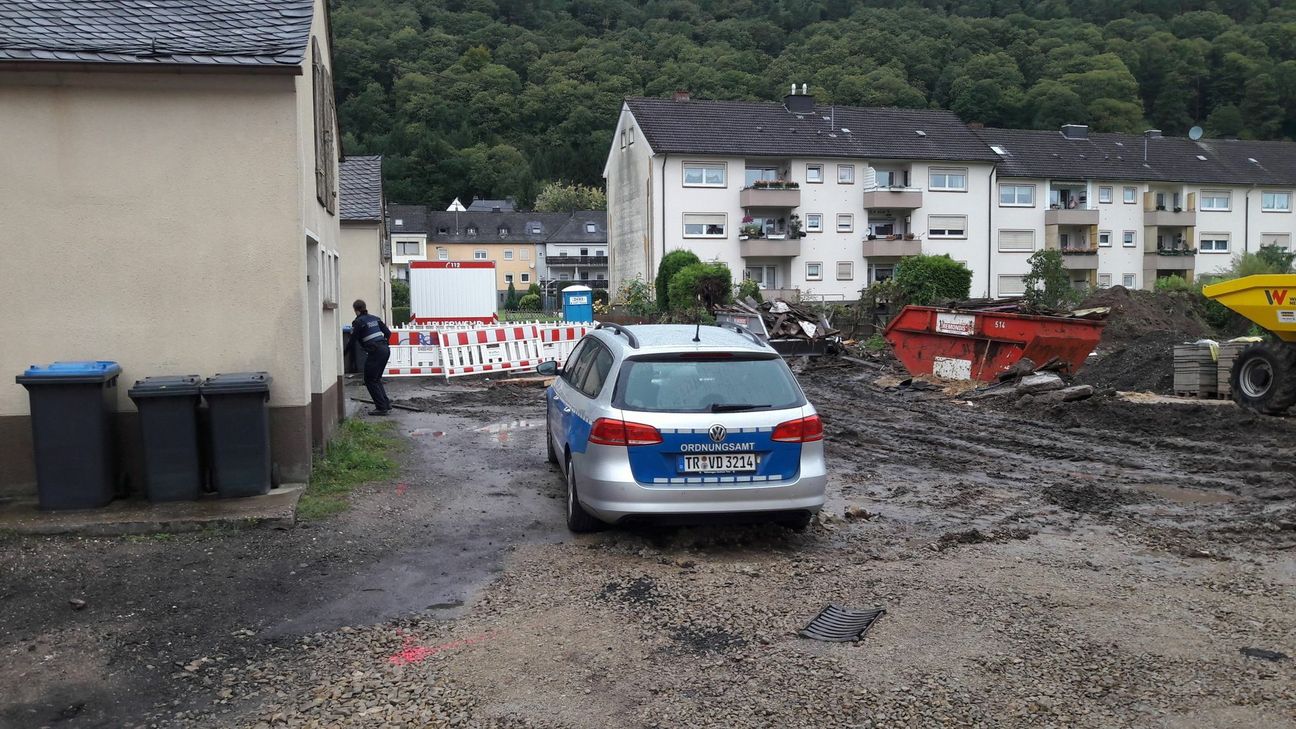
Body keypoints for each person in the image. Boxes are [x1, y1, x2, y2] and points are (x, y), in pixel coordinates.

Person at [350, 299, 392, 415]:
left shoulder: (358, 322)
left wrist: (345, 353)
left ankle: (381, 408)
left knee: (369, 380)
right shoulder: (375, 318)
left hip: (376, 351)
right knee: (376, 379)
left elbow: (353, 340)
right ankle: (386, 404)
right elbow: (388, 333)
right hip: (385, 350)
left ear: (356, 310)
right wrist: (385, 343)